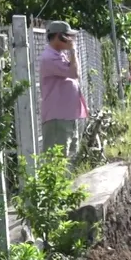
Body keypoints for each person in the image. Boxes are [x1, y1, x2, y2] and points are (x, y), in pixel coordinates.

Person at [38, 20, 89, 158]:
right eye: (68, 36)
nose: (71, 39)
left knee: (70, 158)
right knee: (58, 160)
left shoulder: (59, 55)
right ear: (59, 36)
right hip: (57, 119)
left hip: (66, 116)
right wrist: (73, 50)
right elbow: (74, 73)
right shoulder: (50, 58)